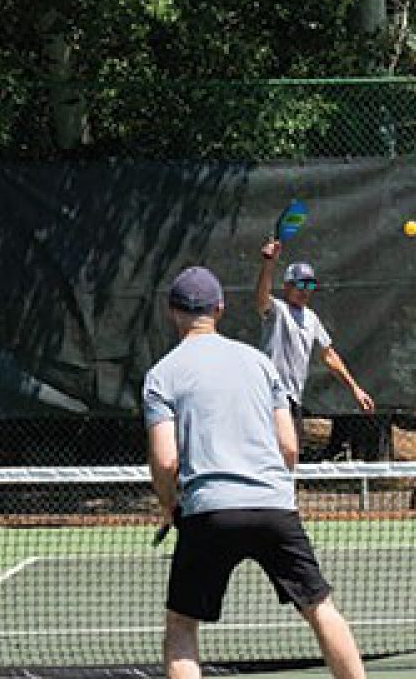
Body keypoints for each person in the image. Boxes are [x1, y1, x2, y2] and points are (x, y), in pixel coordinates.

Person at [144, 266, 367, 679]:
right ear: (220, 309)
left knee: (181, 626)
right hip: (274, 509)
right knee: (321, 609)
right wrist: (278, 492)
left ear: (172, 311)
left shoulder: (161, 376)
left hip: (208, 512)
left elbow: (165, 461)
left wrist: (168, 505)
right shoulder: (261, 364)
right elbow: (289, 445)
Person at [257, 240, 376, 421]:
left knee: (290, 449)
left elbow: (329, 356)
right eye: (301, 285)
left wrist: (355, 389)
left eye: (310, 286)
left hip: (293, 400)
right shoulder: (277, 310)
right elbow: (261, 297)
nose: (306, 291)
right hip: (270, 395)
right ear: (287, 286)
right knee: (286, 449)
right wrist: (268, 264)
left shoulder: (312, 319)